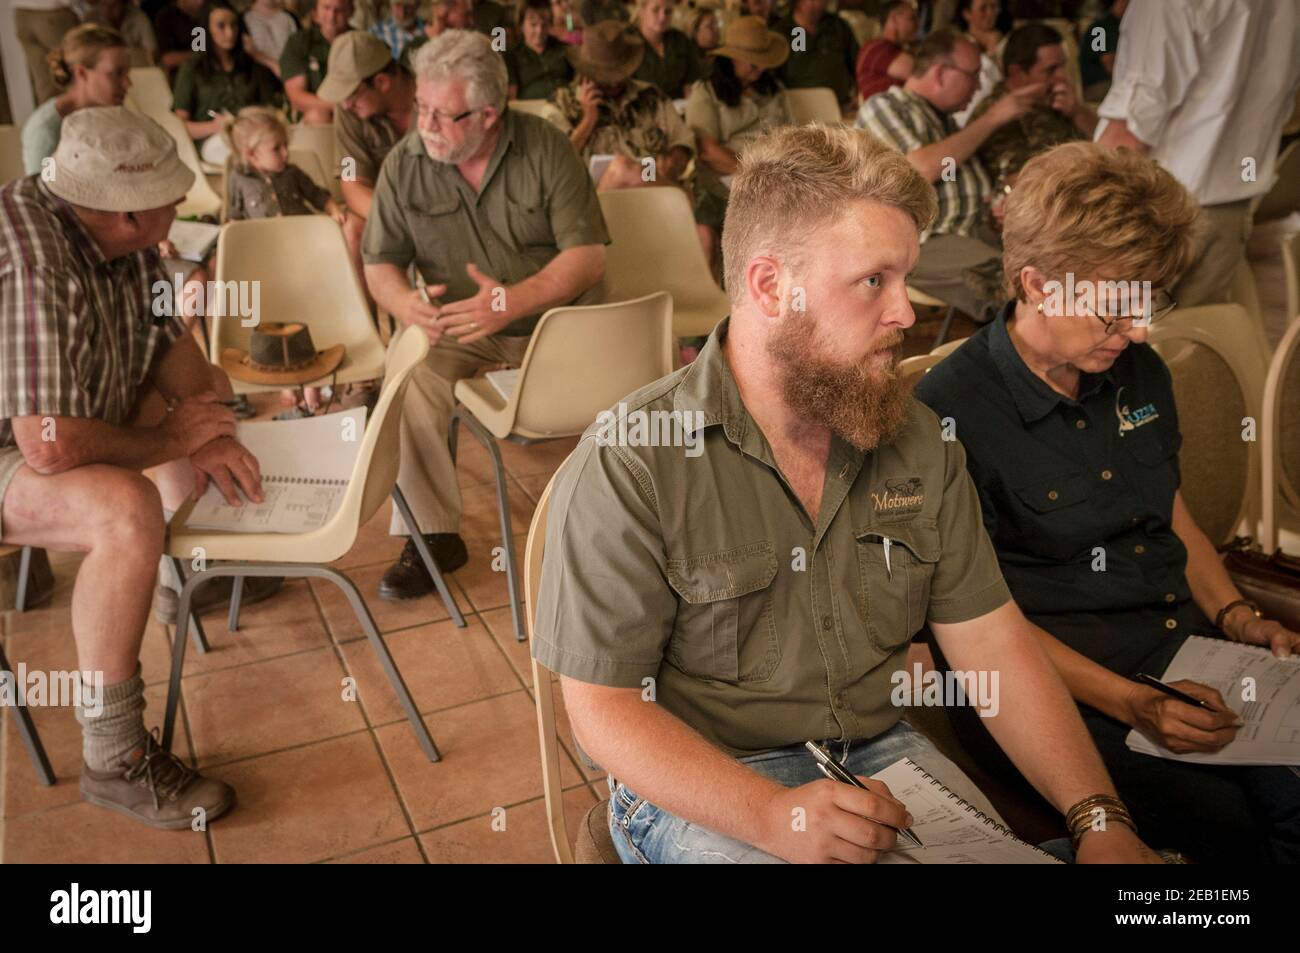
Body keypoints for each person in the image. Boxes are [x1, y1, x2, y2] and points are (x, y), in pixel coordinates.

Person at [532, 122, 1160, 865]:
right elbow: (604, 713)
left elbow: (994, 641)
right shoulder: (634, 463)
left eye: (905, 279)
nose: (905, 311)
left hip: (881, 753)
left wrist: (1098, 816)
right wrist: (774, 817)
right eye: (874, 281)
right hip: (709, 785)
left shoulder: (918, 440)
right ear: (771, 286)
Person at [915, 140, 1300, 863]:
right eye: (1114, 312)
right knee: (1232, 832)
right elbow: (981, 633)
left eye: (1147, 305)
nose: (1140, 332)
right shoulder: (951, 415)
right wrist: (1133, 701)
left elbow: (1169, 508)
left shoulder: (1136, 369)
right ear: (1036, 283)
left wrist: (1240, 617)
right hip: (1057, 693)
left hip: (1188, 656)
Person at [0, 107, 265, 828]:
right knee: (124, 508)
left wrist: (203, 423)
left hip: (61, 421)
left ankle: (199, 572)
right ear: (122, 215)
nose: (181, 204)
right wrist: (173, 437)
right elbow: (47, 443)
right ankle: (113, 757)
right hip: (14, 447)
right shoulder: (38, 259)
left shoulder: (120, 230)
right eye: (170, 197)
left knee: (181, 406)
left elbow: (169, 348)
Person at [360, 30, 608, 598]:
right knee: (410, 379)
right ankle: (432, 537)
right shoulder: (406, 164)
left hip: (555, 325)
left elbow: (588, 258)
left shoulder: (545, 147)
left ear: (489, 115)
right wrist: (407, 305)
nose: (426, 126)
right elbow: (380, 265)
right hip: (460, 329)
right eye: (421, 108)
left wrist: (514, 300)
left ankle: (624, 526)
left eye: (444, 116)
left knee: (637, 369)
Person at [1095, 0, 1300, 308]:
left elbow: (1131, 129)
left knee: (1117, 340)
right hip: (1233, 209)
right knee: (1193, 346)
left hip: (1160, 210)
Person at [855, 28, 1038, 321]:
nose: (978, 87)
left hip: (975, 233)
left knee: (1050, 263)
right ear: (941, 73)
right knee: (1023, 287)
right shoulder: (884, 106)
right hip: (926, 240)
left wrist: (999, 202)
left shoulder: (948, 123)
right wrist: (992, 119)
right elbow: (917, 170)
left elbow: (965, 183)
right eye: (973, 76)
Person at [685, 15, 791, 269]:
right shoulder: (706, 91)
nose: (759, 68)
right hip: (723, 175)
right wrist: (754, 172)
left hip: (775, 170)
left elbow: (791, 137)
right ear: (731, 58)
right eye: (753, 62)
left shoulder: (774, 89)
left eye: (763, 62)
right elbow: (707, 151)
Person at [551, 20, 695, 191]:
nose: (613, 84)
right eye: (605, 77)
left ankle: (668, 193)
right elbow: (554, 166)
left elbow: (683, 141)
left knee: (629, 169)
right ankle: (678, 197)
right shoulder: (563, 103)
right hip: (592, 196)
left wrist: (672, 164)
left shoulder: (651, 96)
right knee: (621, 167)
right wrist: (588, 120)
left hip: (652, 185)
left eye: (619, 74)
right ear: (587, 72)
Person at [318, 30, 413, 263]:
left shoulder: (434, 95)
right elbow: (352, 184)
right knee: (353, 232)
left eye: (351, 95)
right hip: (389, 209)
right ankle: (363, 301)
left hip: (443, 204)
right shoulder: (348, 112)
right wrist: (399, 221)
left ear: (382, 82)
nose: (345, 104)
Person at [966, 23, 1096, 187]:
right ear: (1017, 73)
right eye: (1051, 70)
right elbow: (1020, 182)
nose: (1062, 76)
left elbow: (1105, 144)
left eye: (1063, 66)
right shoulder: (996, 114)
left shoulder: (1058, 99)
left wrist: (1079, 112)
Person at [22, 24, 132, 175]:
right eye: (117, 73)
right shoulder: (47, 131)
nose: (128, 83)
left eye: (127, 72)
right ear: (81, 73)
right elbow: (45, 191)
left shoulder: (110, 114)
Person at [172, 1, 284, 149]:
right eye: (221, 26)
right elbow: (179, 126)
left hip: (253, 137)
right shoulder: (192, 68)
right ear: (206, 29)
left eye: (234, 25)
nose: (230, 32)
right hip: (214, 140)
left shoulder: (251, 66)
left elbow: (270, 110)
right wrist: (214, 126)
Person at [224, 105, 348, 222]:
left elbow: (318, 195)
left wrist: (335, 211)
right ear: (252, 154)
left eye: (286, 145)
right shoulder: (238, 178)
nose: (285, 153)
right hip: (264, 241)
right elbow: (235, 216)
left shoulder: (292, 172)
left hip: (303, 234)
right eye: (276, 149)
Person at [774, 0, 860, 113]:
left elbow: (859, 63)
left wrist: (860, 93)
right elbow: (773, 77)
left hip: (841, 109)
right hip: (796, 111)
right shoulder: (781, 31)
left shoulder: (838, 26)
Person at [280, 0, 354, 123]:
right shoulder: (299, 42)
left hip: (355, 110)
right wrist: (338, 106)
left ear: (350, 11)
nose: (331, 16)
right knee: (318, 116)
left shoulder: (361, 42)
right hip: (316, 114)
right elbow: (297, 96)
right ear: (316, 12)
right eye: (326, 8)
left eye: (339, 10)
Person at [632, 0, 704, 100]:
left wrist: (689, 104)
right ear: (642, 11)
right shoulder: (628, 42)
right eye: (655, 10)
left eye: (668, 11)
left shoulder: (680, 40)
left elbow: (692, 81)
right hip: (643, 110)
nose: (663, 17)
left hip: (679, 108)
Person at [14, 1, 82, 103]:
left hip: (21, 15)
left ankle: (55, 118)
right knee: (76, 74)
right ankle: (79, 117)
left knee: (44, 83)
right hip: (52, 13)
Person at [506, 0, 574, 100]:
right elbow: (512, 100)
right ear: (521, 26)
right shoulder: (512, 57)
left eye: (544, 24)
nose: (539, 31)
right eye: (533, 24)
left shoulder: (564, 49)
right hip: (532, 112)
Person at [855, 0, 917, 102]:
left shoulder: (894, 50)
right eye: (912, 18)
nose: (917, 24)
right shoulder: (876, 49)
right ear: (894, 19)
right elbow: (921, 74)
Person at [950, 0, 1000, 126]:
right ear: (967, 14)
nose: (990, 13)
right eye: (983, 8)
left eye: (994, 7)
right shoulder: (956, 47)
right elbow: (985, 88)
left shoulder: (1005, 42)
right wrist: (992, 52)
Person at [1078, 0, 1126, 103]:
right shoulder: (1100, 28)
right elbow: (1109, 62)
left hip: (1110, 83)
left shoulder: (1121, 25)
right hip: (1097, 85)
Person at [84, 0, 160, 65]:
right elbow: (86, 53)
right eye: (104, 4)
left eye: (113, 5)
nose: (108, 9)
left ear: (123, 3)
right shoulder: (91, 19)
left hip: (135, 67)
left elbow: (151, 51)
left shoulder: (139, 17)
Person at [243, 0, 301, 77]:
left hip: (294, 75)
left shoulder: (290, 17)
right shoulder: (243, 19)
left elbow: (301, 49)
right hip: (261, 78)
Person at [153, 0, 207, 75]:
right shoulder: (166, 17)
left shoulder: (209, 13)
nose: (201, 2)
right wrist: (204, 55)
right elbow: (167, 59)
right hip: (180, 77)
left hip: (209, 76)